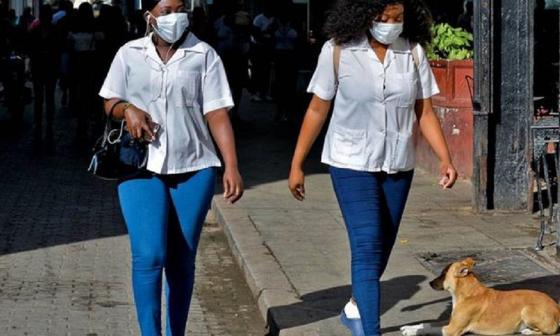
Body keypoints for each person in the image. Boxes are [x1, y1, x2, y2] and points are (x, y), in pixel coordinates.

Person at [288, 1, 458, 335]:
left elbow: (423, 111)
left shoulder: (413, 52)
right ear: (365, 16)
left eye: (398, 18)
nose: (390, 25)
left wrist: (445, 158)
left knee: (383, 244)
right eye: (383, 18)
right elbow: (317, 110)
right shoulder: (338, 51)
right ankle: (370, 329)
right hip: (350, 161)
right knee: (366, 243)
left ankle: (355, 307)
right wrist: (297, 164)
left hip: (397, 163)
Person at [98, 0, 244, 334]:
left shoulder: (204, 54)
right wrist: (127, 110)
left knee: (181, 260)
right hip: (139, 167)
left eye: (181, 8)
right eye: (166, 10)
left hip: (195, 167)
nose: (175, 16)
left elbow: (217, 112)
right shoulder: (129, 53)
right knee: (149, 256)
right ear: (149, 16)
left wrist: (231, 165)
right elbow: (109, 99)